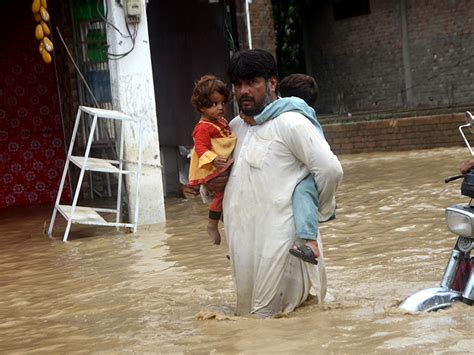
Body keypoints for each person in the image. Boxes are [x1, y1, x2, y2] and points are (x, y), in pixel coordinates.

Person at [222, 49, 343, 317]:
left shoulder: (291, 123)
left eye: (252, 82)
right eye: (238, 84)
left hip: (283, 247)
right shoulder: (234, 128)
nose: (244, 91)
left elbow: (330, 170)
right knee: (250, 320)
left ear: (271, 84)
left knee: (276, 322)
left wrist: (311, 214)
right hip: (245, 244)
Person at [250, 73, 328, 264]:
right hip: (309, 165)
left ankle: (311, 244)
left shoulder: (295, 108)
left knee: (302, 193)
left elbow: (276, 107)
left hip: (310, 171)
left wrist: (256, 118)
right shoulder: (304, 112)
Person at [188, 74, 236, 245]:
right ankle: (212, 224)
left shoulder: (219, 121)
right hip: (214, 168)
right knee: (220, 194)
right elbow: (201, 148)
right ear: (202, 106)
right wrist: (214, 159)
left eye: (223, 103)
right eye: (214, 104)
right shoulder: (202, 128)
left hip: (220, 164)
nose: (220, 108)